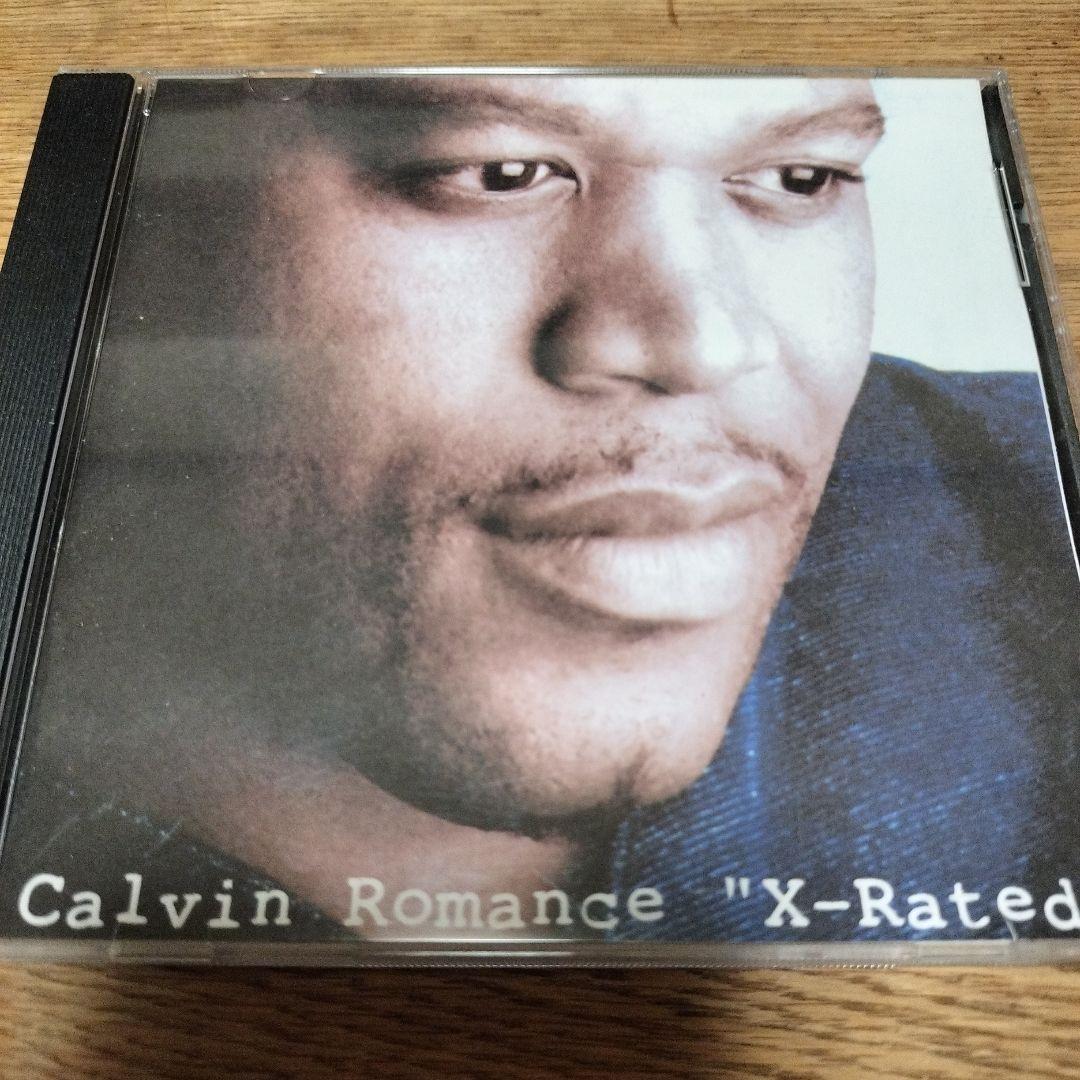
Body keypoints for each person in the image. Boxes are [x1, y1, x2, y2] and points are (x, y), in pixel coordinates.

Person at [1, 74, 1077, 945]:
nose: (700, 345)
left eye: (801, 177)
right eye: (499, 172)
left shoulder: (1039, 503)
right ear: (129, 208)